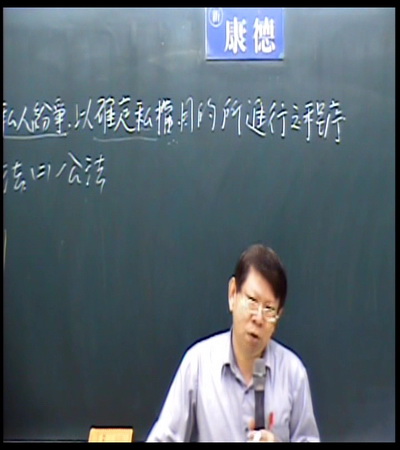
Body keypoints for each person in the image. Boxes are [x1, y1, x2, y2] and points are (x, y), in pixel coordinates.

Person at [146, 244, 320, 442]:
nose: (258, 318)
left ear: (278, 316)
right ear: (232, 294)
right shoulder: (198, 365)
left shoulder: (293, 374)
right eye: (252, 301)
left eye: (269, 309)